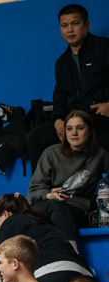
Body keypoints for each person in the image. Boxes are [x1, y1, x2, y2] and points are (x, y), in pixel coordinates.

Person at [25, 4, 109, 170]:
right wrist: (57, 120)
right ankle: (42, 192)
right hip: (73, 118)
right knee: (35, 137)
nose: (70, 30)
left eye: (75, 23)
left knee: (89, 132)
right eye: (64, 26)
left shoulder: (104, 47)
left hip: (98, 114)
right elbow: (60, 97)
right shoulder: (62, 62)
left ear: (87, 25)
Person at [0, 194, 93, 282]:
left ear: (6, 214)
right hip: (83, 276)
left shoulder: (10, 222)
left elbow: (4, 265)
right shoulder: (42, 220)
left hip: (50, 275)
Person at [28, 109, 109, 246]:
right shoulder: (51, 153)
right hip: (48, 205)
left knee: (62, 211)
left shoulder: (100, 155)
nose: (74, 133)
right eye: (69, 129)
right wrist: (50, 195)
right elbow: (33, 192)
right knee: (56, 208)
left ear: (89, 131)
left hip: (78, 211)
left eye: (80, 128)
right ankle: (72, 253)